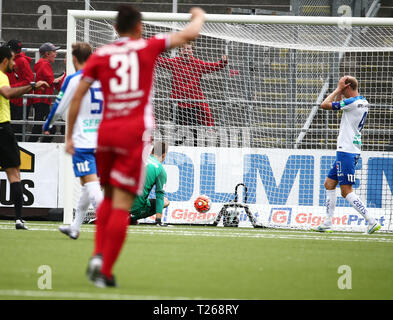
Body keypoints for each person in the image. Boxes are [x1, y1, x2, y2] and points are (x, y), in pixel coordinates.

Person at [65, 5, 206, 288]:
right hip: (132, 134)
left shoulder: (101, 54)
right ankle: (103, 268)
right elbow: (191, 33)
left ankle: (96, 256)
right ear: (139, 26)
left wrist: (69, 136)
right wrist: (198, 14)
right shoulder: (147, 47)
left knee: (107, 193)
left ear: (115, 28)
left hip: (105, 133)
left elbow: (78, 95)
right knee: (121, 204)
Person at [43, 42, 103, 239]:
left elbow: (59, 107)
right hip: (103, 140)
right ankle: (75, 226)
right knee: (89, 183)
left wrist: (47, 124)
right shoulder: (103, 79)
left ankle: (108, 219)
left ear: (74, 59)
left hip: (83, 141)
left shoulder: (75, 79)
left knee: (90, 183)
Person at [313, 75, 381, 234]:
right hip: (349, 149)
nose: (341, 89)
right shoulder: (363, 101)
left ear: (347, 86)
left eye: (343, 86)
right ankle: (327, 222)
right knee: (329, 184)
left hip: (347, 151)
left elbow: (324, 105)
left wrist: (337, 89)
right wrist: (341, 92)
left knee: (346, 191)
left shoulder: (352, 103)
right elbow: (337, 107)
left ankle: (371, 220)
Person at [0, 46, 48, 230]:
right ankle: (19, 219)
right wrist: (32, 85)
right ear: (5, 60)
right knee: (14, 174)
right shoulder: (2, 76)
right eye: (12, 60)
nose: (14, 63)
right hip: (2, 130)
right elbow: (7, 93)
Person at [156, 42, 228, 146]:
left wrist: (223, 61)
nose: (186, 51)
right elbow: (160, 61)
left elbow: (215, 66)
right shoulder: (174, 62)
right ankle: (177, 149)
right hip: (178, 105)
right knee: (177, 132)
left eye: (189, 49)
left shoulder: (198, 64)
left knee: (194, 132)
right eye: (184, 49)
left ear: (192, 51)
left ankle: (195, 149)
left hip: (193, 105)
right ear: (180, 52)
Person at [130, 141, 170, 226]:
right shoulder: (160, 169)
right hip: (135, 207)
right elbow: (160, 195)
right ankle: (131, 218)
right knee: (165, 201)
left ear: (151, 152)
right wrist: (158, 220)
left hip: (117, 202)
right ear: (164, 155)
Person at [29, 42, 63, 142]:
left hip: (41, 100)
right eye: (54, 52)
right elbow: (51, 82)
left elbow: (50, 81)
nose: (56, 54)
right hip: (41, 100)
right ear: (47, 54)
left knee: (39, 126)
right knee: (48, 127)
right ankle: (34, 146)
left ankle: (33, 145)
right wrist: (64, 76)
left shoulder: (41, 63)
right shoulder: (44, 64)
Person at [5, 40, 34, 141]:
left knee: (16, 130)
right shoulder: (13, 60)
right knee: (13, 129)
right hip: (13, 99)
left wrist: (12, 87)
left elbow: (29, 80)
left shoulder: (21, 61)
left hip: (20, 101)